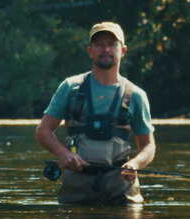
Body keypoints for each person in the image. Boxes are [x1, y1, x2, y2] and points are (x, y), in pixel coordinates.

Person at [35, 21, 156, 205]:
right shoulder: (70, 87)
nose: (105, 49)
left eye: (112, 44)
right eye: (99, 44)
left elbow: (148, 146)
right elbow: (43, 131)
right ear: (90, 50)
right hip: (77, 187)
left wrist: (136, 164)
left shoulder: (136, 95)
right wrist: (63, 154)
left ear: (123, 50)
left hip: (121, 189)